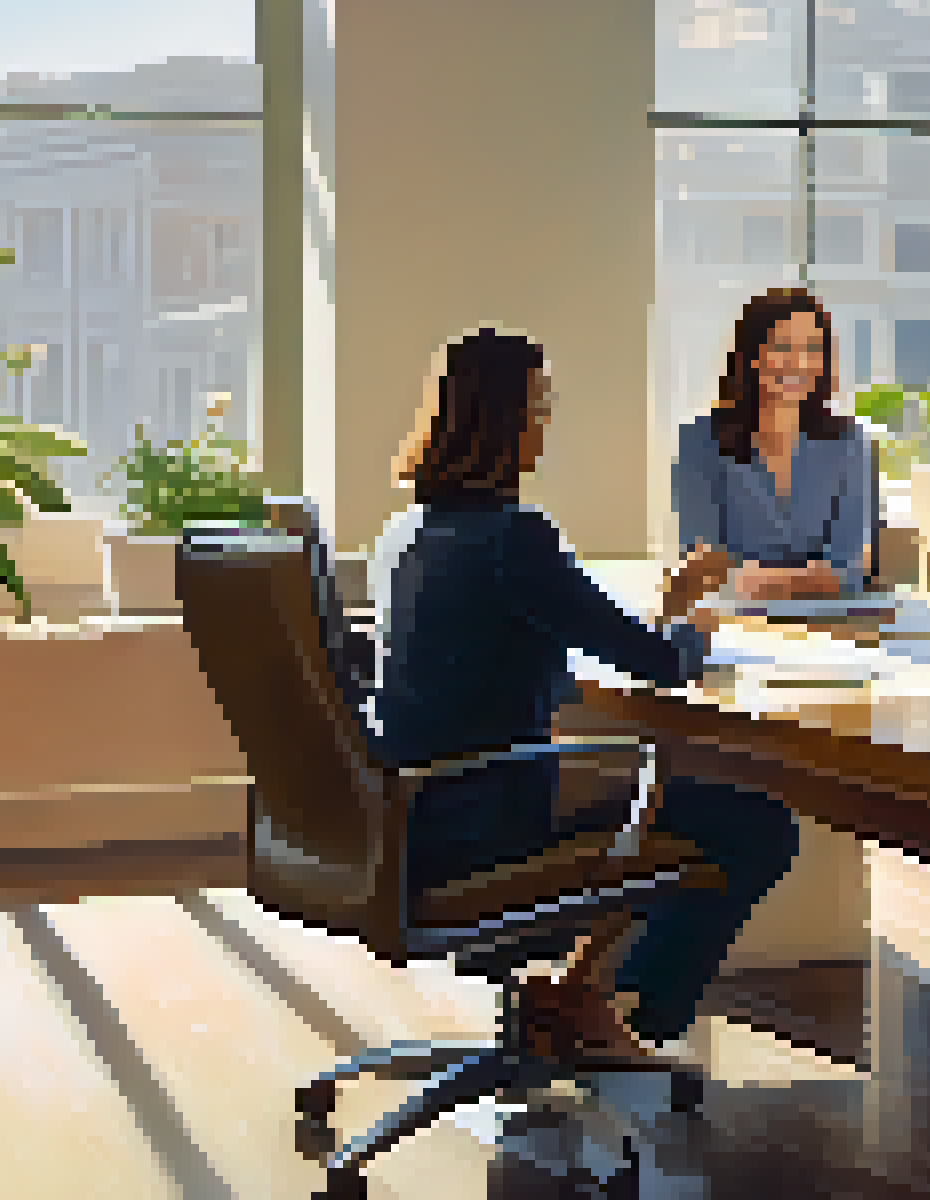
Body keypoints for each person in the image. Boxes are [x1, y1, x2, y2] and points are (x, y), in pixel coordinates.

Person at [369, 327, 801, 1057]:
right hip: (489, 827)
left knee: (671, 802)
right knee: (756, 825)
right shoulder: (515, 538)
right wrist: (694, 624)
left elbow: (497, 658)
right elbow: (663, 665)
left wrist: (661, 622)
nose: (545, 422)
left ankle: (576, 998)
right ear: (506, 420)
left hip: (413, 820)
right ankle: (623, 1014)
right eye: (539, 404)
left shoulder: (406, 532)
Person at [672, 287, 877, 602]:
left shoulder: (848, 442)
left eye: (812, 348)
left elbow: (847, 569)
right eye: (783, 346)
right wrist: (809, 579)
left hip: (828, 621)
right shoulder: (699, 441)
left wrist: (749, 579)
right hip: (731, 622)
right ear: (752, 355)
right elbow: (702, 564)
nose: (799, 362)